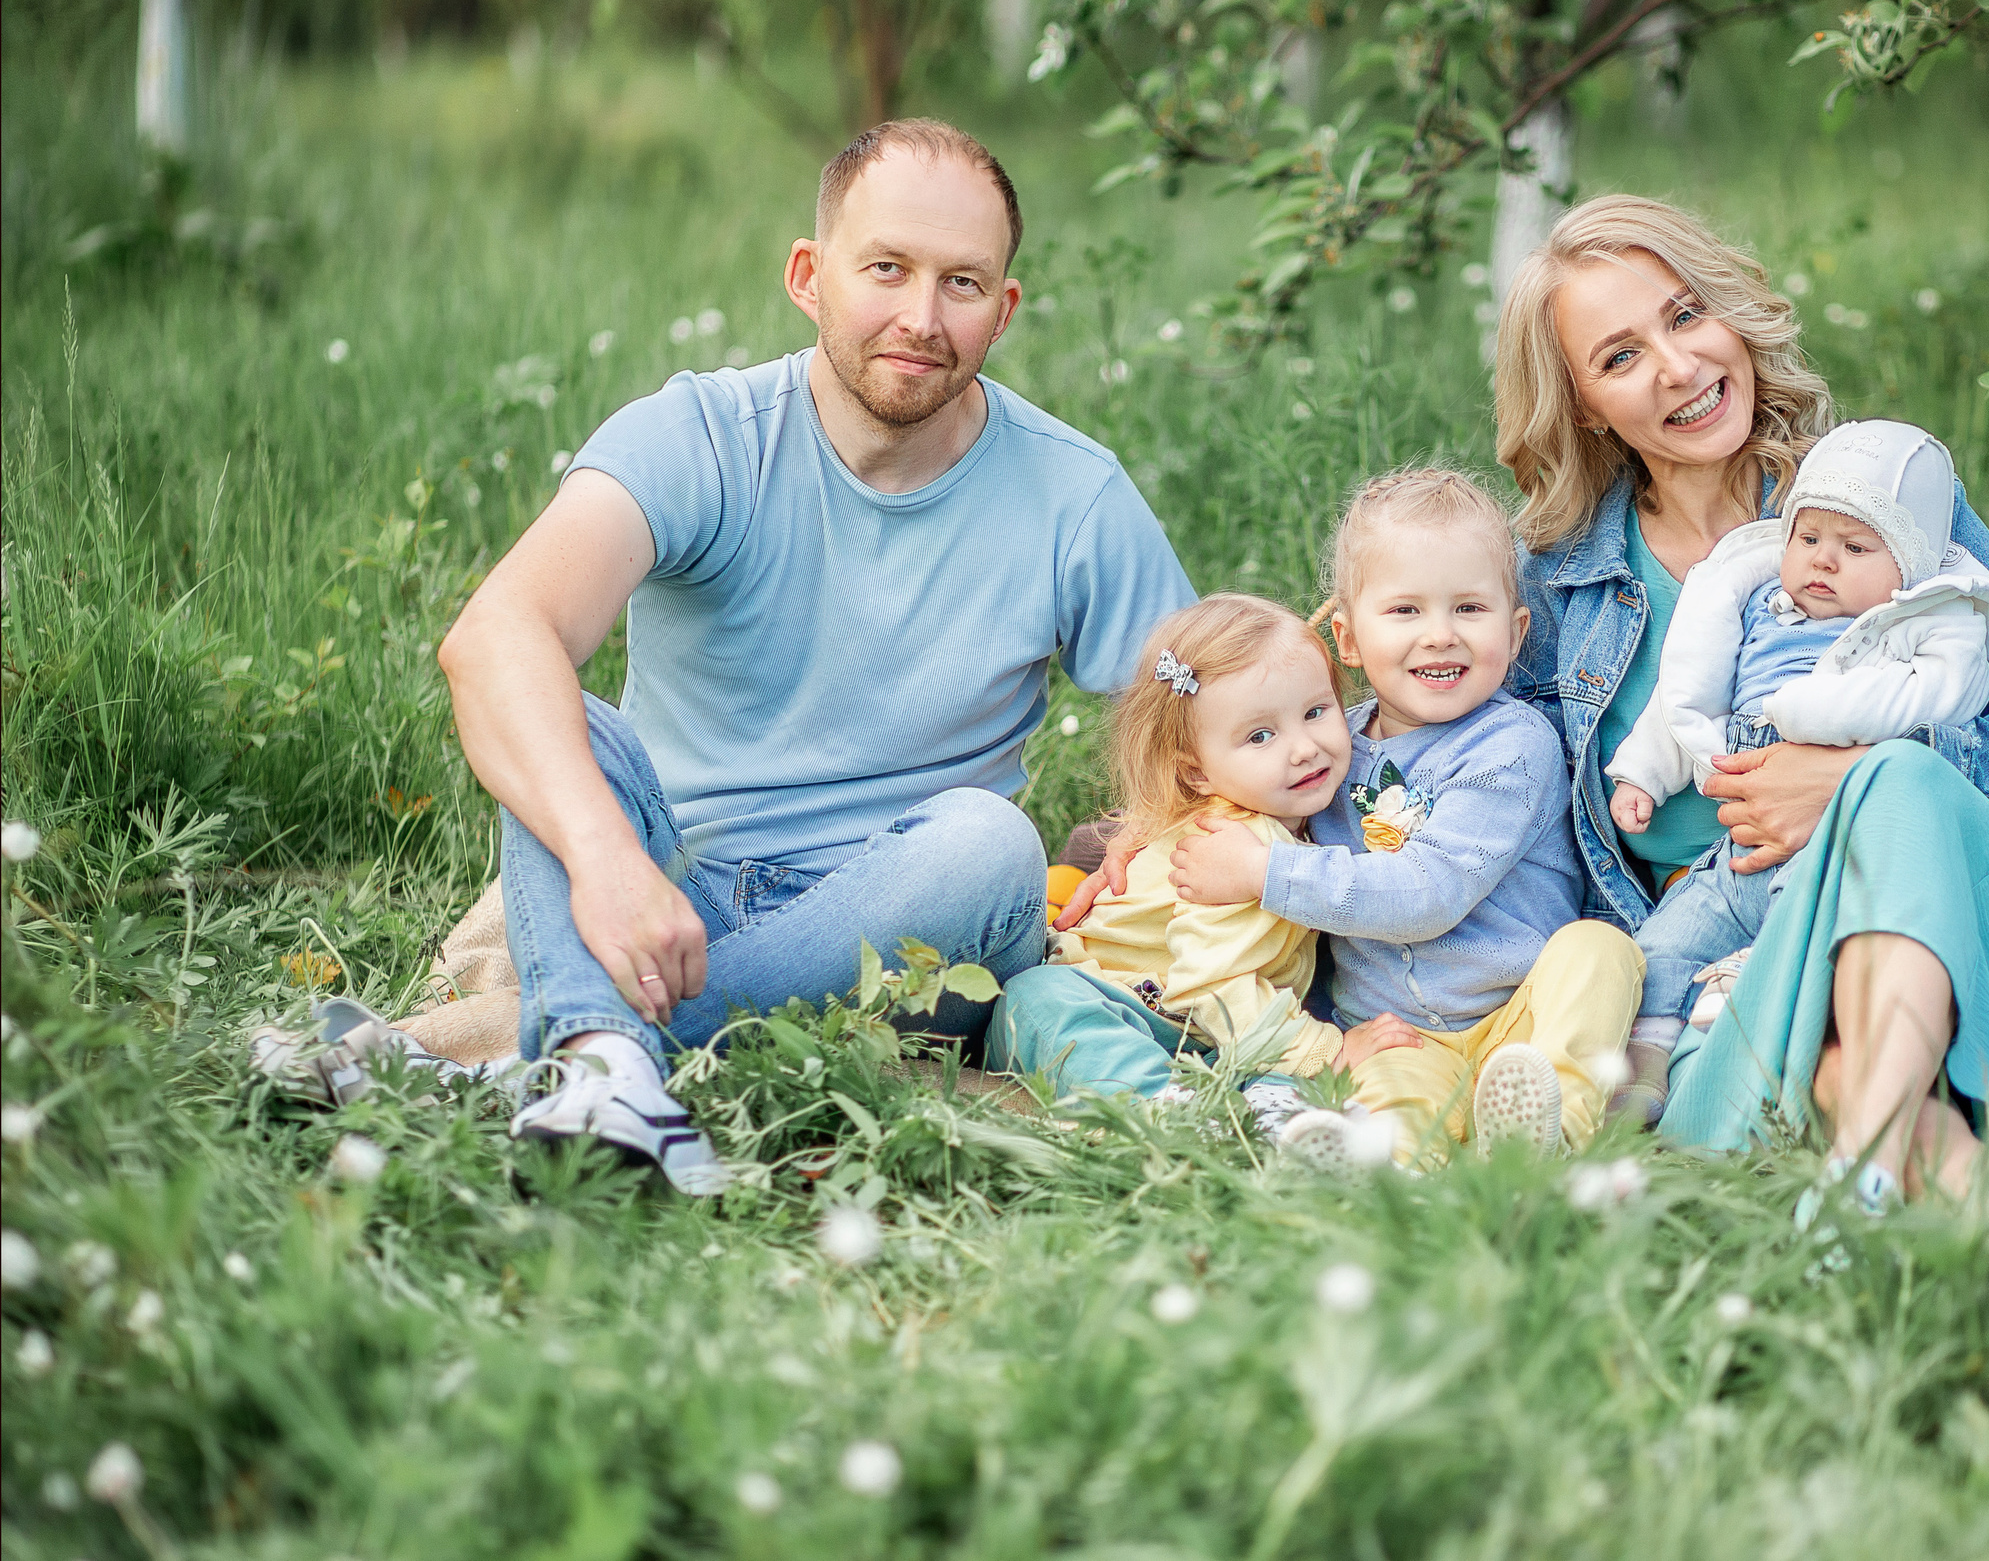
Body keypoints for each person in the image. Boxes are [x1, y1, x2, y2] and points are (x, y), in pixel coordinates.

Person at [436, 118, 1195, 1193]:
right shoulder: (702, 435)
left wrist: (1151, 825)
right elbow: (494, 638)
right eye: (885, 269)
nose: (921, 318)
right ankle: (609, 1071)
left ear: (1005, 309)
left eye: (963, 284)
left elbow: (1203, 713)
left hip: (918, 933)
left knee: (992, 842)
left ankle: (581, 1038)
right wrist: (609, 863)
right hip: (674, 893)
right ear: (810, 275)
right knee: (568, 724)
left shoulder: (1074, 495)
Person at [1494, 193, 1989, 1207]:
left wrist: (1859, 776)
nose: (1676, 367)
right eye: (1617, 358)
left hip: (1948, 945)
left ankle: (1881, 1173)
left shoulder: (1875, 499)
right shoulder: (1555, 583)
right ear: (1581, 405)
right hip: (1713, 990)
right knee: (1844, 1076)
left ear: (1731, 317)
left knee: (1896, 779)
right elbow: (1477, 785)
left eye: (1684, 315)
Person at [1166, 470, 1643, 1168]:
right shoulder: (1326, 749)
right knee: (1392, 1104)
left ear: (1515, 634)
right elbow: (1235, 789)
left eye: (1469, 609)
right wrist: (1134, 840)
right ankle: (1394, 1172)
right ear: (1348, 639)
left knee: (1600, 951)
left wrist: (1264, 870)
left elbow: (1427, 893)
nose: (1440, 635)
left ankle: (1549, 1132)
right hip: (1394, 1033)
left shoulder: (1512, 747)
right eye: (1405, 611)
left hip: (1519, 1016)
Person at [1603, 419, 1989, 1061]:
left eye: (1856, 548)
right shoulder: (1756, 608)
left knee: (1804, 921)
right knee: (1665, 943)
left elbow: (1942, 694)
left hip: (1840, 851)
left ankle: (1764, 993)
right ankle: (1645, 1064)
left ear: (1908, 569)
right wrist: (1642, 773)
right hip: (1739, 852)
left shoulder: (1921, 625)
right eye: (1807, 538)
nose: (1823, 560)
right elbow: (1684, 702)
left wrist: (1815, 715)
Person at [985, 595, 1414, 1130]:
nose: (1303, 748)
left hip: (1213, 1036)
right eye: (1260, 736)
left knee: (1269, 1071)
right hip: (1119, 1003)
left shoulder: (1294, 815)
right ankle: (1161, 1113)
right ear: (1197, 775)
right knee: (1038, 999)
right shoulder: (1236, 844)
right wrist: (1327, 1050)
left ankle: (1268, 1124)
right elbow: (1211, 983)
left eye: (1314, 712)